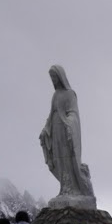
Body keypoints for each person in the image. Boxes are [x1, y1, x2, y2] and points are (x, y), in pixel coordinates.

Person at [39, 65, 95, 202]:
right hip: (56, 131)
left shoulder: (70, 94)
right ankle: (64, 188)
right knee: (59, 159)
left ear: (61, 77)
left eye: (55, 77)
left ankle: (74, 188)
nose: (53, 80)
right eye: (52, 78)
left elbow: (73, 113)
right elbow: (51, 114)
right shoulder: (55, 95)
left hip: (66, 130)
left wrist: (69, 124)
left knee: (68, 160)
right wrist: (45, 129)